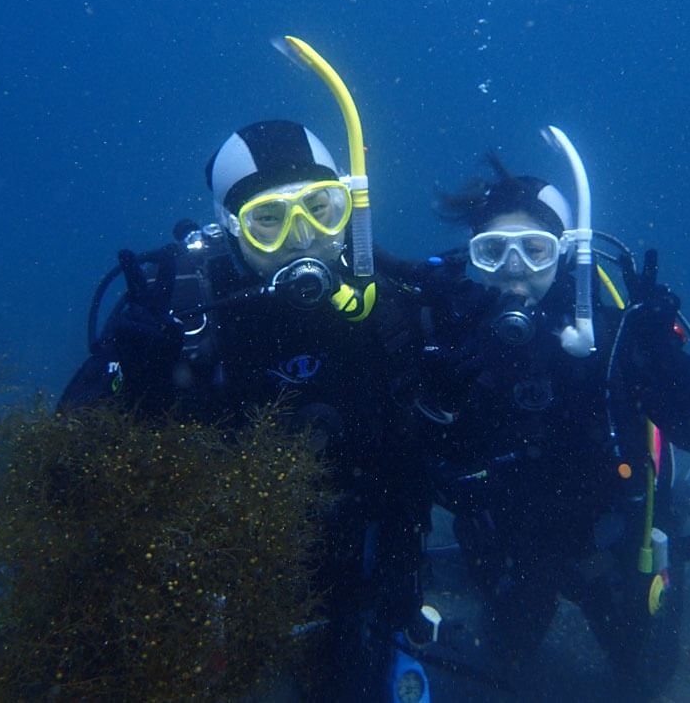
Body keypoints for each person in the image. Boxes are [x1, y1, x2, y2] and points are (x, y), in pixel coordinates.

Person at [59, 119, 434, 701]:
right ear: (230, 229)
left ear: (349, 212)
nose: (302, 237)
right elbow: (70, 447)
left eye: (321, 208)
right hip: (201, 557)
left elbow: (415, 456)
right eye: (269, 219)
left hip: (339, 553)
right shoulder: (181, 310)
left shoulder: (385, 313)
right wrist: (127, 367)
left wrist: (401, 574)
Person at [399, 133, 690, 697]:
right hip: (513, 545)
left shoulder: (612, 335)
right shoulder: (450, 339)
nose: (514, 272)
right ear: (472, 258)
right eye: (492, 253)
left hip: (613, 540)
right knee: (504, 664)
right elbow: (413, 461)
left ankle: (687, 500)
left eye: (535, 251)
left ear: (566, 253)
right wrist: (438, 385)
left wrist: (657, 352)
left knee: (645, 678)